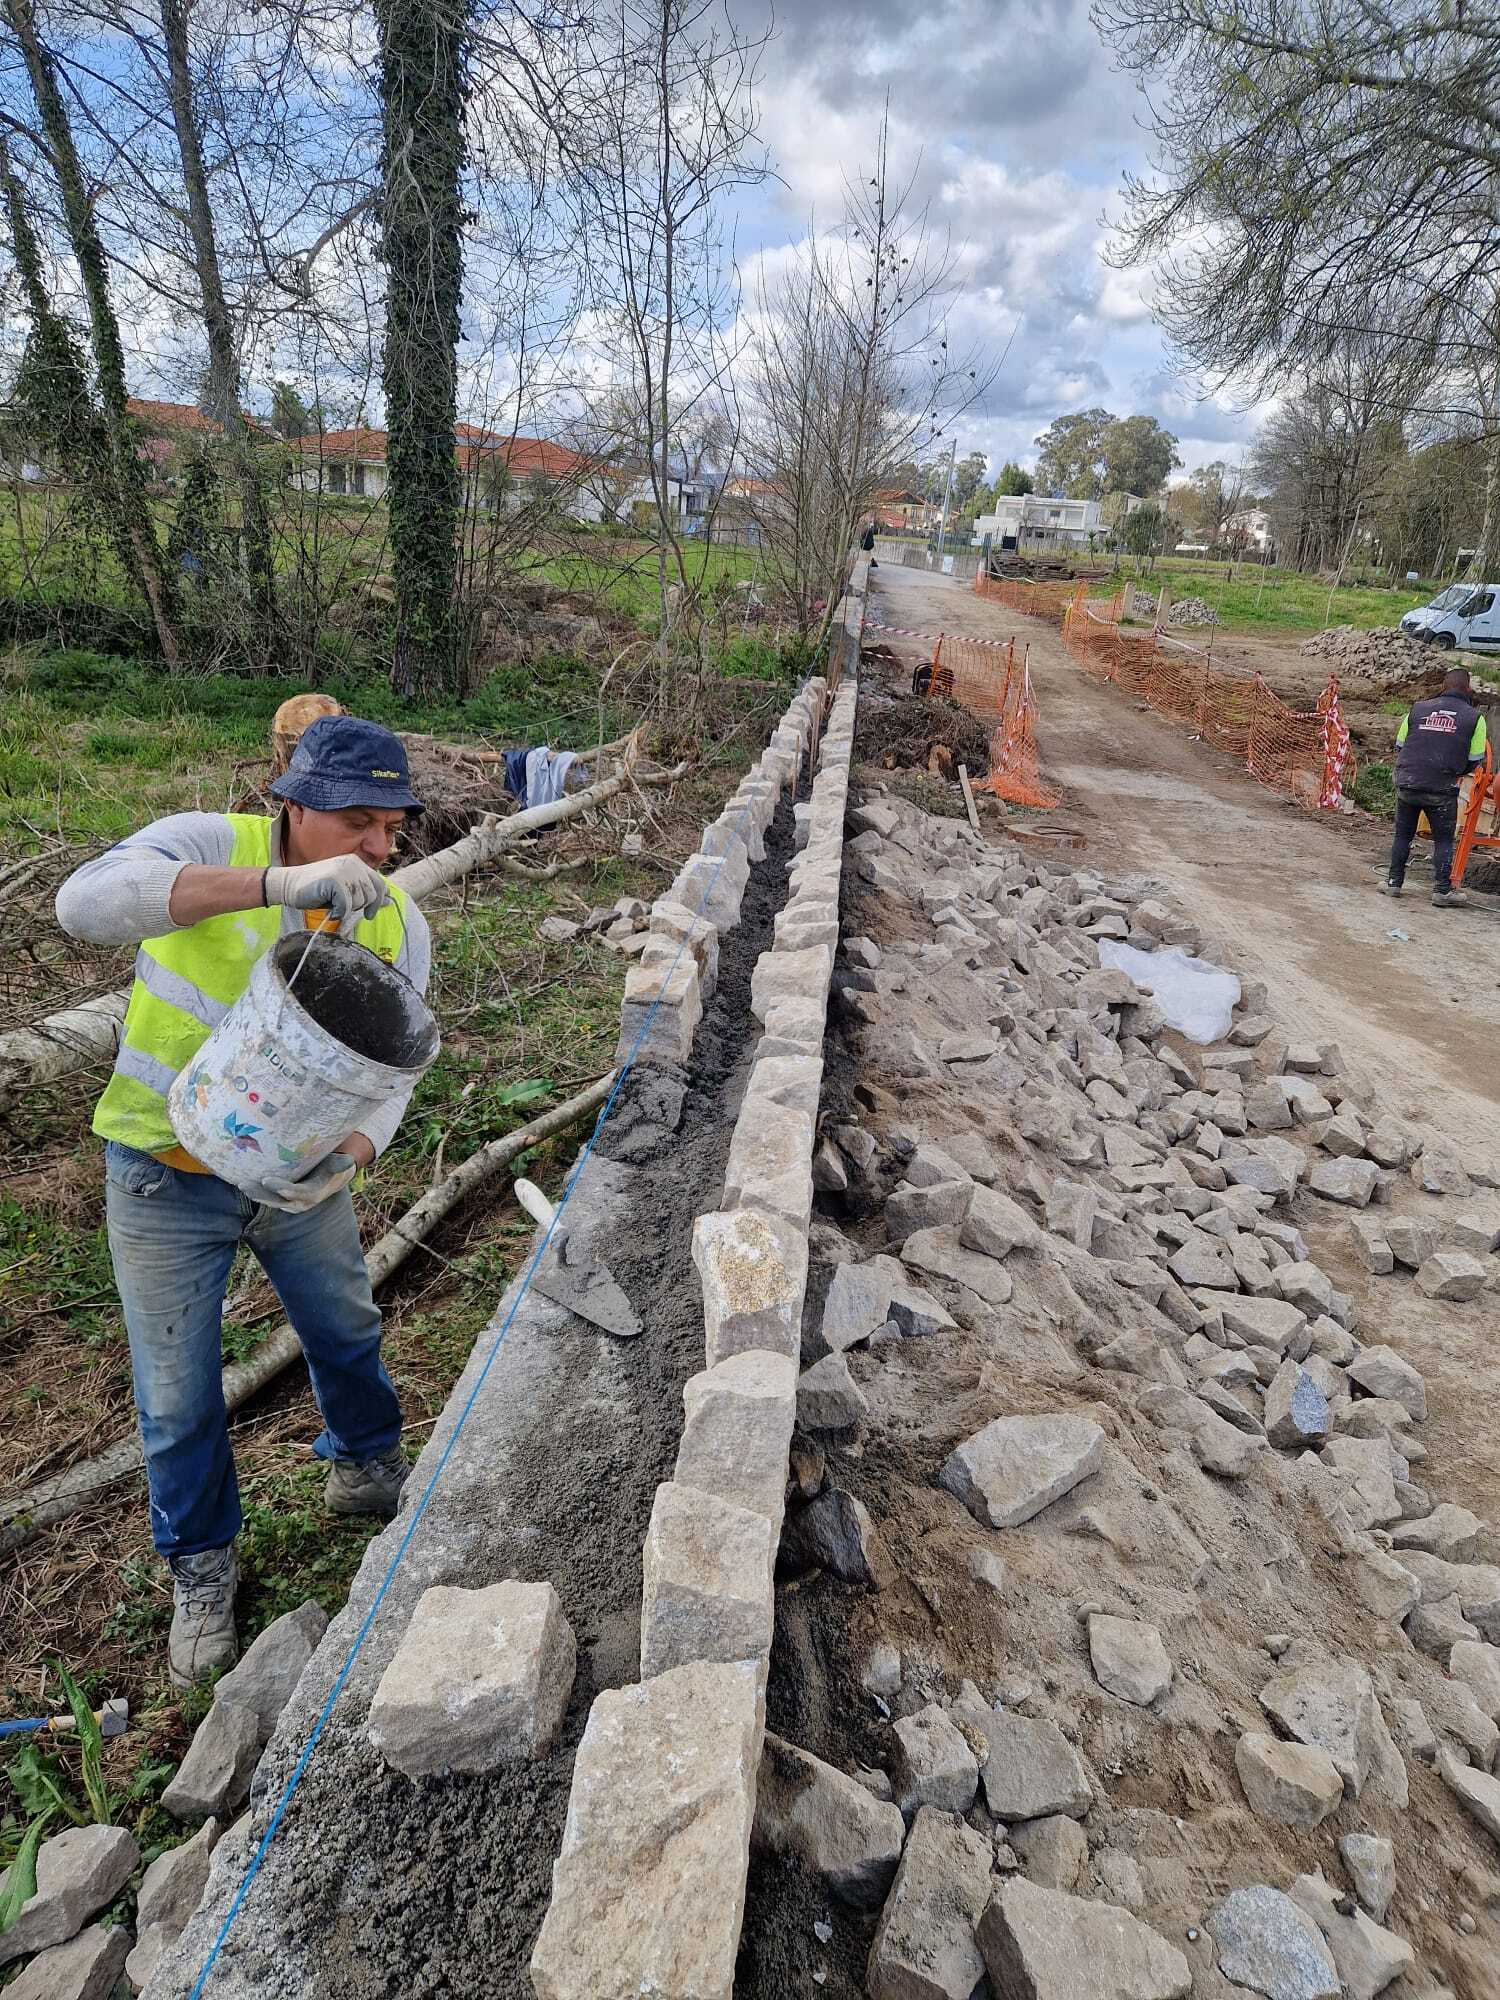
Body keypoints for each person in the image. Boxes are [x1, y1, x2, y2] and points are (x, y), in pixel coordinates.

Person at [55, 716, 432, 1686]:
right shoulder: (209, 843)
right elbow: (81, 904)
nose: (380, 849)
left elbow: (393, 1071)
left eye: (393, 826)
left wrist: (348, 1157)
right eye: (357, 820)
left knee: (346, 1326)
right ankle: (203, 1565)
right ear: (295, 802)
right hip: (163, 1175)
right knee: (177, 1397)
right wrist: (281, 887)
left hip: (296, 1184)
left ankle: (367, 1463)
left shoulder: (394, 917)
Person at [1382, 667, 1488, 907]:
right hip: (1441, 789)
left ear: (1443, 686)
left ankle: (1393, 884)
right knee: (1443, 840)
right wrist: (1452, 772)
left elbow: (1400, 745)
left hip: (1407, 783)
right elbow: (1475, 759)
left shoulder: (1417, 709)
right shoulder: (1475, 718)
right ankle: (1442, 891)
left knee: (1402, 834)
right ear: (1468, 689)